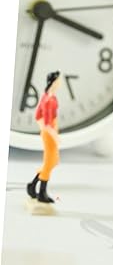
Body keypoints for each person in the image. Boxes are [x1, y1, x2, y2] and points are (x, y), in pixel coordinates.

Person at [26, 71, 61, 203]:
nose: (59, 83)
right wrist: (54, 136)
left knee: (54, 161)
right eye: (58, 81)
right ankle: (42, 192)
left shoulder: (48, 96)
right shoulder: (48, 101)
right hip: (49, 133)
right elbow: (46, 123)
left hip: (51, 130)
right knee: (49, 162)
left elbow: (37, 116)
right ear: (53, 82)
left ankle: (33, 185)